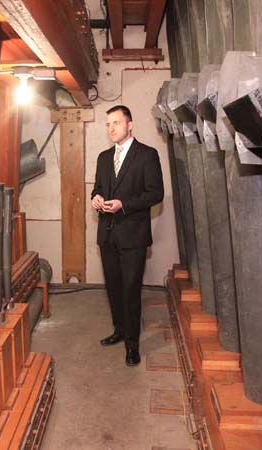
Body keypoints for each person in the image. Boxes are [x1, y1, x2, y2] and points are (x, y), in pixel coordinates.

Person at [91, 105, 164, 366]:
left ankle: (133, 345)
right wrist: (96, 199)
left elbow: (156, 194)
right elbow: (98, 188)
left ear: (130, 125)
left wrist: (125, 204)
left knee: (131, 289)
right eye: (108, 124)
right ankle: (120, 331)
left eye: (117, 123)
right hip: (107, 235)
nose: (112, 128)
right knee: (113, 288)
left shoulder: (147, 155)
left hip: (133, 236)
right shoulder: (102, 158)